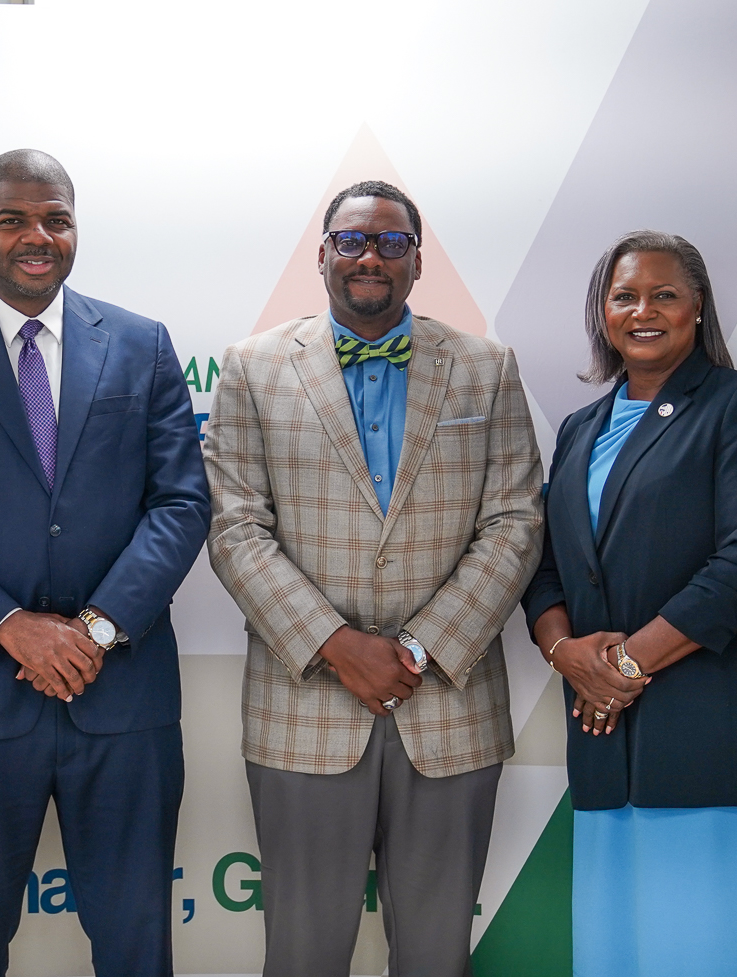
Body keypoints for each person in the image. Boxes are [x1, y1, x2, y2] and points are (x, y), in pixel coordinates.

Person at [0, 149, 209, 976]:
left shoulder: (142, 344)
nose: (37, 236)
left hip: (119, 698)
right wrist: (11, 626)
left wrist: (95, 628)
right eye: (14, 219)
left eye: (56, 219)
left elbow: (181, 503)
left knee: (136, 947)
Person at [204, 180, 543, 976]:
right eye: (352, 240)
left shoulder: (486, 368)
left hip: (449, 706)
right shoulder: (252, 368)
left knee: (435, 956)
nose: (370, 257)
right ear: (323, 254)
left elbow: (516, 522)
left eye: (392, 242)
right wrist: (336, 643)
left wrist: (419, 648)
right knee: (303, 954)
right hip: (304, 708)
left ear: (418, 261)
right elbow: (235, 528)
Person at [520, 229, 737, 976]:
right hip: (606, 748)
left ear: (698, 306)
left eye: (664, 294)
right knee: (613, 957)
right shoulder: (580, 428)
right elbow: (546, 567)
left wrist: (618, 666)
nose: (642, 311)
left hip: (710, 743)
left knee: (705, 956)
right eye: (625, 296)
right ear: (603, 312)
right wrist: (564, 652)